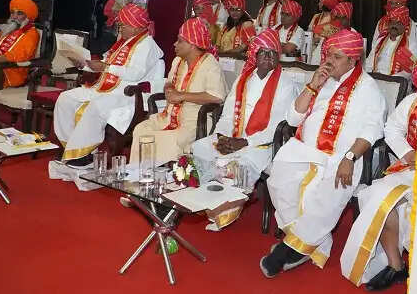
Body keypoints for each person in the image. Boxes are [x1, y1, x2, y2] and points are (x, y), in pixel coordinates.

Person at [260, 29, 386, 277]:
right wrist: (312, 85)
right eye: (328, 54)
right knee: (278, 180)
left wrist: (349, 158)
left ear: (353, 60)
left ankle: (290, 250)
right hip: (305, 150)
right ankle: (309, 242)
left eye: (337, 57)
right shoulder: (322, 79)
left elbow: (372, 130)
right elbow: (292, 119)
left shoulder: (368, 89)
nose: (329, 61)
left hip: (342, 158)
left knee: (326, 195)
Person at [340, 46, 417, 290]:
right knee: (376, 196)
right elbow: (391, 129)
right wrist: (407, 153)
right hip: (408, 169)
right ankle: (396, 265)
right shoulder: (413, 102)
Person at [191, 29, 300, 230]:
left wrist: (245, 142)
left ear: (278, 57)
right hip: (232, 136)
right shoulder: (243, 80)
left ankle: (226, 209)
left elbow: (277, 126)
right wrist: (222, 136)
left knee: (240, 164)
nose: (268, 57)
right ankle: (212, 201)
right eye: (263, 52)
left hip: (262, 143)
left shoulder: (286, 85)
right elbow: (227, 114)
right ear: (254, 55)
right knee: (200, 147)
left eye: (273, 53)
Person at [54, 4, 164, 165]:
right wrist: (83, 65)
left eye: (123, 25)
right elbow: (105, 63)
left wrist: (106, 67)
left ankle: (81, 155)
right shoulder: (123, 43)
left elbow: (135, 74)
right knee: (65, 98)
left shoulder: (147, 45)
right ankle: (71, 147)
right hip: (106, 88)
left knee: (97, 105)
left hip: (128, 94)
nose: (119, 29)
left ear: (135, 27)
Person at [130, 17, 226, 167]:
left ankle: (169, 174)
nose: (175, 44)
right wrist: (169, 89)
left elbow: (217, 97)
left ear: (192, 45)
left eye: (180, 41)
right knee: (140, 129)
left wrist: (182, 96)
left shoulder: (210, 64)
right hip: (168, 116)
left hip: (193, 120)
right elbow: (168, 82)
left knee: (171, 138)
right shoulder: (177, 61)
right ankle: (141, 173)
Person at [367, 6, 417, 81]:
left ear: (404, 25)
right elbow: (369, 62)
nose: (394, 26)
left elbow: (411, 70)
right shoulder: (380, 40)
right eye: (392, 22)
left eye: (398, 23)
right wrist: (368, 76)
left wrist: (391, 79)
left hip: (395, 81)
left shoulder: (411, 44)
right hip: (375, 79)